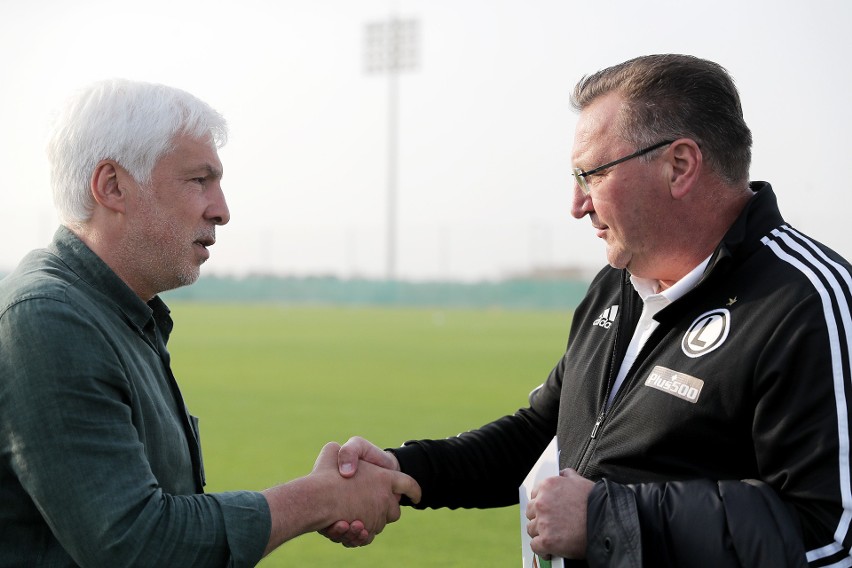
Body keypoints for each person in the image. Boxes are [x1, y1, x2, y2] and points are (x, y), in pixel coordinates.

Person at [332, 54, 852, 566]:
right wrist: (403, 469)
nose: (577, 205)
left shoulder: (805, 302)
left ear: (679, 165)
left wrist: (610, 518)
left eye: (591, 175)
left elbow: (829, 533)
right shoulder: (615, 287)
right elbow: (543, 434)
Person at [0, 78, 420, 567]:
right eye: (199, 180)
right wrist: (319, 498)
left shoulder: (115, 312)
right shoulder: (48, 318)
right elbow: (136, 545)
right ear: (112, 186)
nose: (221, 210)